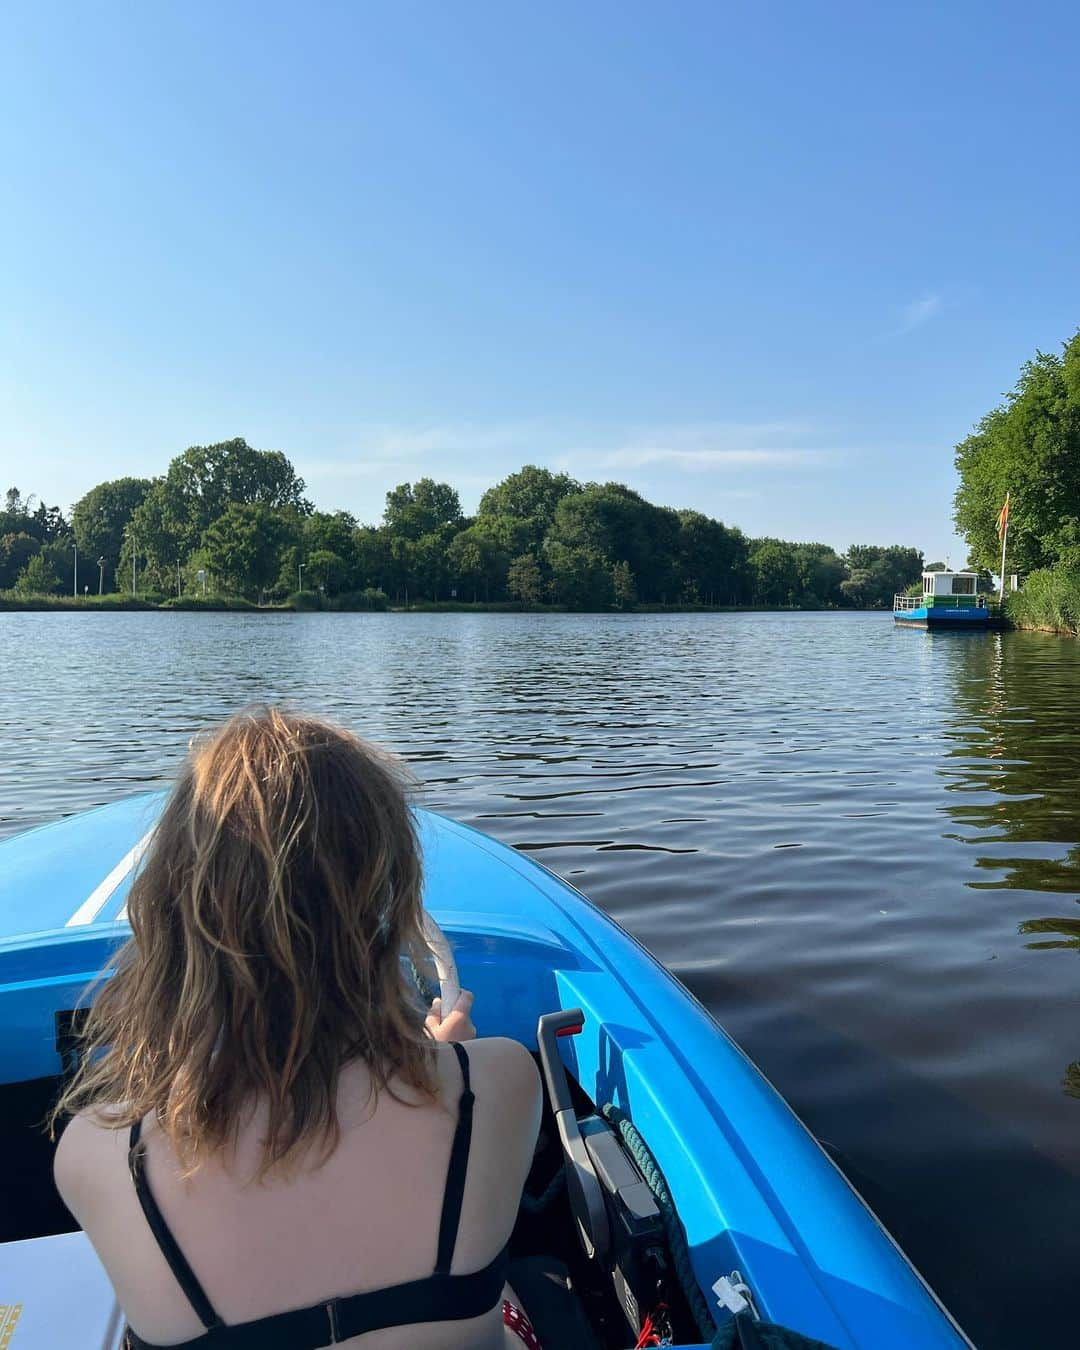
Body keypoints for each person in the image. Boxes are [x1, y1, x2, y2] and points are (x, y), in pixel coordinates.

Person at [53, 706, 544, 1349]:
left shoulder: (99, 1155)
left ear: (175, 918)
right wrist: (444, 1061)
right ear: (384, 903)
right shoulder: (500, 1084)